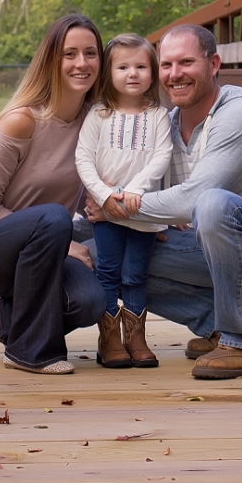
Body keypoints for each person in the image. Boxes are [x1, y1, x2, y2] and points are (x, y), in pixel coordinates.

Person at [89, 24, 242, 379]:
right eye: (166, 65)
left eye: (187, 62)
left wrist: (114, 207)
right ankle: (220, 322)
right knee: (101, 250)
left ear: (214, 64)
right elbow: (146, 195)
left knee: (212, 204)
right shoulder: (166, 125)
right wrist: (105, 207)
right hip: (213, 245)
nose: (175, 74)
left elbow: (193, 198)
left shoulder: (240, 114)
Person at [0, 14, 106, 375]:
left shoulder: (95, 123)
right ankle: (30, 352)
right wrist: (65, 243)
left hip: (41, 250)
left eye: (91, 53)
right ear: (52, 60)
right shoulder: (22, 120)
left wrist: (165, 215)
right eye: (70, 54)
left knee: (90, 302)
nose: (82, 63)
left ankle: (16, 319)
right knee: (52, 217)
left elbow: (93, 193)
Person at [75, 34, 173, 369]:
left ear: (152, 71)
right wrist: (104, 196)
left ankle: (136, 337)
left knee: (135, 273)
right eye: (123, 67)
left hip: (141, 209)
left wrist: (137, 189)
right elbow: (83, 160)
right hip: (107, 212)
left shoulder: (158, 116)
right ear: (109, 74)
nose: (133, 73)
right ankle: (109, 339)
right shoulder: (99, 115)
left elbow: (162, 155)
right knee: (108, 271)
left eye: (141, 66)